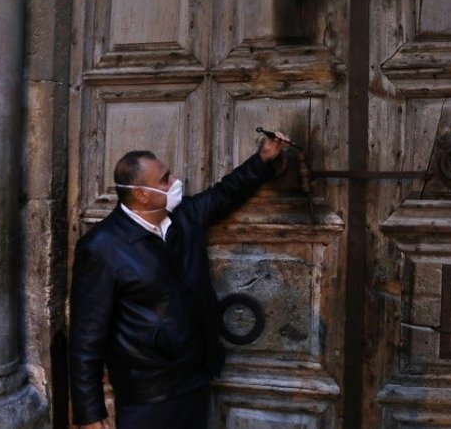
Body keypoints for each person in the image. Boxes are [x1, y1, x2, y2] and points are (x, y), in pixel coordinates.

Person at [69, 133, 289, 429]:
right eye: (164, 178)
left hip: (194, 380)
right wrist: (89, 413)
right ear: (141, 194)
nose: (175, 180)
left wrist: (263, 159)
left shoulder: (183, 216)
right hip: (148, 395)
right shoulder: (102, 247)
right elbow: (86, 338)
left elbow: (226, 193)